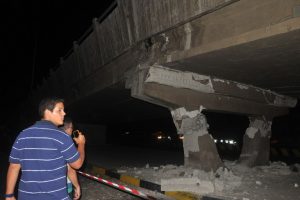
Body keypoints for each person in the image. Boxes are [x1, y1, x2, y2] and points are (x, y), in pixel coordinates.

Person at [5, 97, 86, 200]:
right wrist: (81, 144)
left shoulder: (23, 135)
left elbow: (14, 167)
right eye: (60, 110)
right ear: (47, 112)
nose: (64, 113)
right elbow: (77, 164)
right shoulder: (61, 136)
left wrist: (9, 195)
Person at [60, 117, 81, 199]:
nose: (72, 130)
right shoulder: (65, 139)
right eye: (72, 128)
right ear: (69, 127)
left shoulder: (53, 137)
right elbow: (72, 166)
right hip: (63, 187)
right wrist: (81, 144)